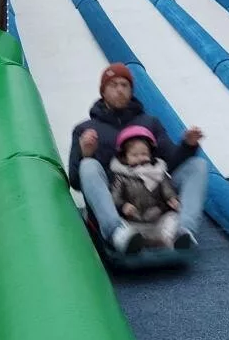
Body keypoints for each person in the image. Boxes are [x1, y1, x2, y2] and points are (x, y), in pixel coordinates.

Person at [69, 63, 207, 254]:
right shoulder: (86, 130)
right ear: (103, 91)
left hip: (154, 199)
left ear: (131, 91)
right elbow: (76, 182)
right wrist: (86, 154)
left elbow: (171, 163)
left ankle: (184, 230)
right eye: (113, 85)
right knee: (88, 166)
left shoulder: (149, 123)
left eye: (124, 85)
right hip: (118, 202)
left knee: (197, 165)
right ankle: (116, 231)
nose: (119, 90)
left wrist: (188, 145)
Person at [109, 126, 184, 247]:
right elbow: (115, 196)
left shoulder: (158, 172)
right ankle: (132, 243)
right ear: (124, 157)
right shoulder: (121, 176)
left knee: (172, 219)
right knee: (121, 227)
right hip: (133, 220)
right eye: (134, 155)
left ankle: (175, 240)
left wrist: (172, 198)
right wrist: (123, 206)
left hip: (157, 218)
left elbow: (166, 189)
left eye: (144, 153)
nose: (140, 158)